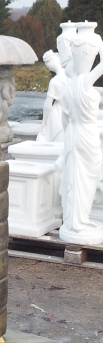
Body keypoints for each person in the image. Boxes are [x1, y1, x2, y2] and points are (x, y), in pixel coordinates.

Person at [58, 23, 103, 245]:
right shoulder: (85, 82)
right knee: (88, 178)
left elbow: (64, 120)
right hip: (88, 135)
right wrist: (100, 44)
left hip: (73, 135)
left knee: (74, 176)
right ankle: (80, 221)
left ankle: (73, 221)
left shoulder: (68, 89)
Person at [37, 50, 68, 143]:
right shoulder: (71, 76)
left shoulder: (54, 81)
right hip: (71, 111)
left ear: (50, 68)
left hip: (58, 112)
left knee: (51, 136)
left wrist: (44, 121)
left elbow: (48, 104)